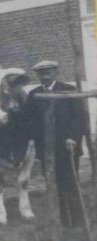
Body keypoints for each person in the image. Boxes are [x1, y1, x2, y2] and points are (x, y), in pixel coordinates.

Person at [24, 60, 86, 227]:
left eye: (48, 72)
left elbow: (80, 117)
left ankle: (78, 220)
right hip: (46, 149)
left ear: (55, 73)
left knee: (71, 184)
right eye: (41, 73)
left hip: (68, 147)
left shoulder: (68, 90)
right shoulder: (34, 94)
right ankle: (62, 220)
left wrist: (73, 137)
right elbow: (29, 120)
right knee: (53, 184)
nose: (45, 76)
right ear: (37, 75)